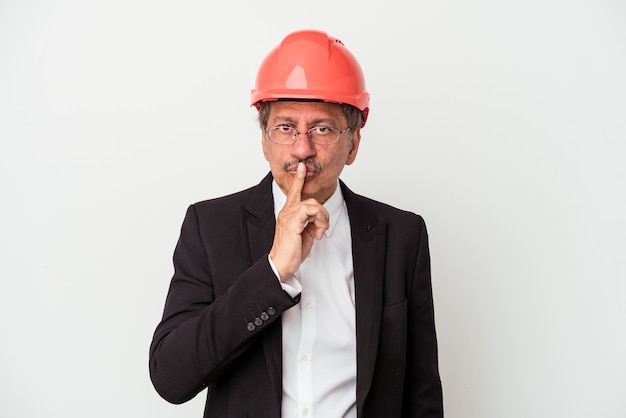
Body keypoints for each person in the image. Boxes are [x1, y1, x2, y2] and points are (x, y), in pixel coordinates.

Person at [149, 29, 443, 418]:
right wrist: (274, 272)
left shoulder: (402, 235)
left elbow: (422, 395)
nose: (302, 149)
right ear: (264, 139)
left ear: (353, 143)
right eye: (286, 128)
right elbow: (171, 377)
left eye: (322, 129)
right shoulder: (209, 226)